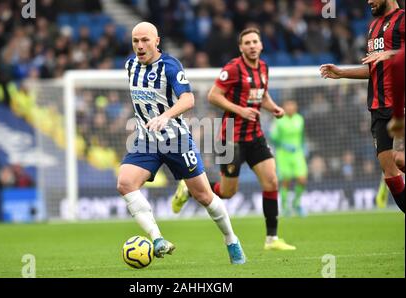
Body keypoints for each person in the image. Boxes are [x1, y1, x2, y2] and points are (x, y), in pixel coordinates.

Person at [117, 22, 246, 264]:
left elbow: (188, 99)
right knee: (125, 183)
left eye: (145, 40)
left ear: (157, 41)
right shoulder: (130, 65)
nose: (140, 46)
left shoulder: (170, 66)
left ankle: (231, 240)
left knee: (204, 196)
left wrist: (165, 116)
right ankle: (157, 239)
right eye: (135, 41)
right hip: (146, 140)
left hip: (176, 140)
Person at [172, 28, 296, 251]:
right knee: (228, 192)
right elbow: (213, 96)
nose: (251, 45)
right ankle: (189, 189)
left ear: (261, 45)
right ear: (241, 47)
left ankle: (272, 239)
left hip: (255, 136)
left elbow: (261, 95)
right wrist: (240, 110)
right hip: (230, 139)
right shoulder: (233, 68)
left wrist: (273, 108)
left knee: (272, 181)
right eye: (246, 42)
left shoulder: (264, 68)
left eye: (255, 41)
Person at [320, 0, 404, 213]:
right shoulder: (372, 26)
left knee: (400, 159)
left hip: (400, 104)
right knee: (390, 173)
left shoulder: (403, 19)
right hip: (377, 107)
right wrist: (341, 73)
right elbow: (373, 68)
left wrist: (391, 54)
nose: (369, 1)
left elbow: (390, 58)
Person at [269, 100, 308, 217]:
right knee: (286, 181)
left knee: (302, 179)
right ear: (284, 107)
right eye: (288, 105)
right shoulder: (279, 120)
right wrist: (283, 145)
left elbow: (301, 136)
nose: (291, 107)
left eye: (293, 105)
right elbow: (272, 137)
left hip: (297, 153)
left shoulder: (300, 119)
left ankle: (296, 203)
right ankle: (285, 207)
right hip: (283, 154)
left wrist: (303, 146)